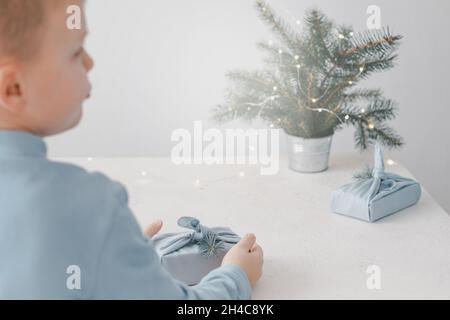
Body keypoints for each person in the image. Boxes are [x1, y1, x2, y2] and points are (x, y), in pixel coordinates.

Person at [0, 0, 263, 299]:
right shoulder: (87, 204)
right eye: (75, 52)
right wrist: (237, 274)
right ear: (14, 88)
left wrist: (114, 255)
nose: (89, 62)